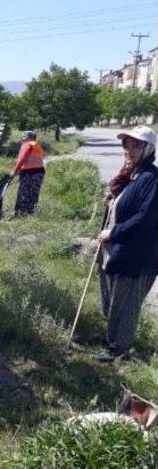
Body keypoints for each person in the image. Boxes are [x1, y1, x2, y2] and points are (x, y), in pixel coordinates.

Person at [97, 125, 158, 362]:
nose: (129, 150)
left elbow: (145, 219)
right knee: (112, 303)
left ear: (149, 148)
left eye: (136, 145)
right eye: (126, 144)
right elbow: (121, 205)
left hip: (136, 256)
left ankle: (119, 350)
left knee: (125, 307)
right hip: (116, 250)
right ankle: (112, 341)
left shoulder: (152, 179)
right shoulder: (130, 175)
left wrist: (113, 233)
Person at [10, 131, 45, 216]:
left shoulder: (27, 144)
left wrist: (14, 171)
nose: (21, 139)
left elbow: (22, 159)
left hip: (28, 173)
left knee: (23, 192)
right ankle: (30, 212)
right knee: (34, 193)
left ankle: (20, 213)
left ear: (28, 137)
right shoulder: (36, 145)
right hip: (39, 172)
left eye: (23, 137)